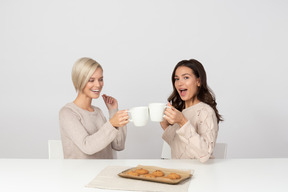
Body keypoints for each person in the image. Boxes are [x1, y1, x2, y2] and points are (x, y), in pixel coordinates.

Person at [59, 57, 129, 159]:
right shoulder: (67, 113)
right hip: (80, 174)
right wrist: (112, 123)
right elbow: (87, 146)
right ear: (79, 81)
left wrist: (113, 111)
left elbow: (118, 145)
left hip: (104, 171)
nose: (98, 85)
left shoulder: (98, 112)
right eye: (91, 80)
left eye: (100, 79)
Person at [161, 59, 223, 163]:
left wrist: (182, 122)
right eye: (177, 79)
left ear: (198, 81)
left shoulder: (205, 111)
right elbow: (179, 148)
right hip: (180, 173)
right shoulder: (181, 112)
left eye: (186, 77)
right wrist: (165, 126)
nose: (180, 83)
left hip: (200, 174)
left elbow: (205, 153)